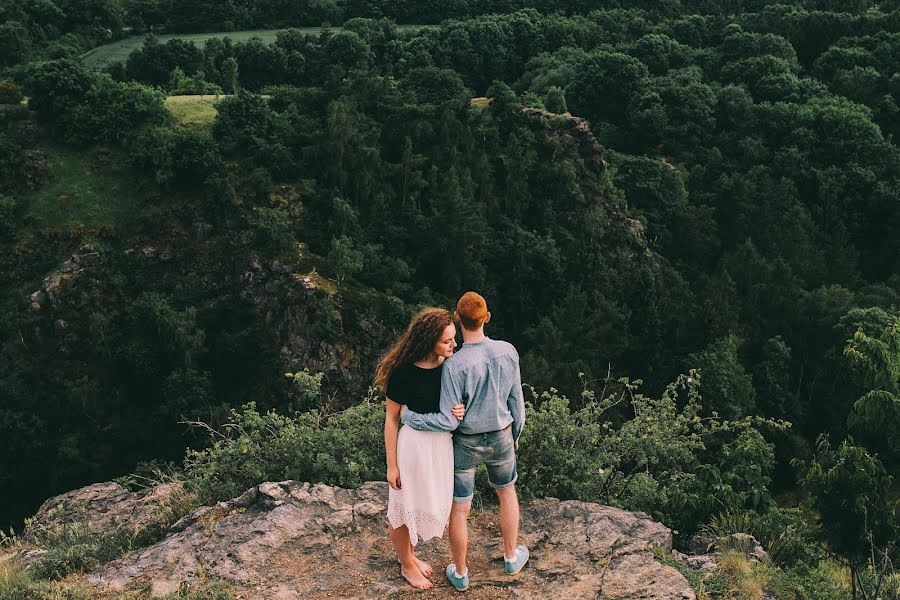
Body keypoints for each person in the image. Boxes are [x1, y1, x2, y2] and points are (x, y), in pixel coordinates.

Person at [401, 292, 528, 592]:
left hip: (466, 442)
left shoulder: (453, 365)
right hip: (501, 436)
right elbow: (517, 405)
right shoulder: (508, 352)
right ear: (487, 317)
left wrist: (411, 418)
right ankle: (511, 556)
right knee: (507, 493)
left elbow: (447, 420)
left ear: (457, 319)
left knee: (460, 508)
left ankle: (461, 572)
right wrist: (516, 436)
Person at [375, 308, 466, 590]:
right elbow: (391, 419)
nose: (454, 345)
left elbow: (457, 401)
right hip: (413, 446)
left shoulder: (450, 367)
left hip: (440, 447)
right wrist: (392, 465)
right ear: (429, 342)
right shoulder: (404, 372)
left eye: (454, 339)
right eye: (447, 341)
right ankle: (406, 563)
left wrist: (460, 410)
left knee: (426, 502)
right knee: (402, 506)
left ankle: (411, 557)